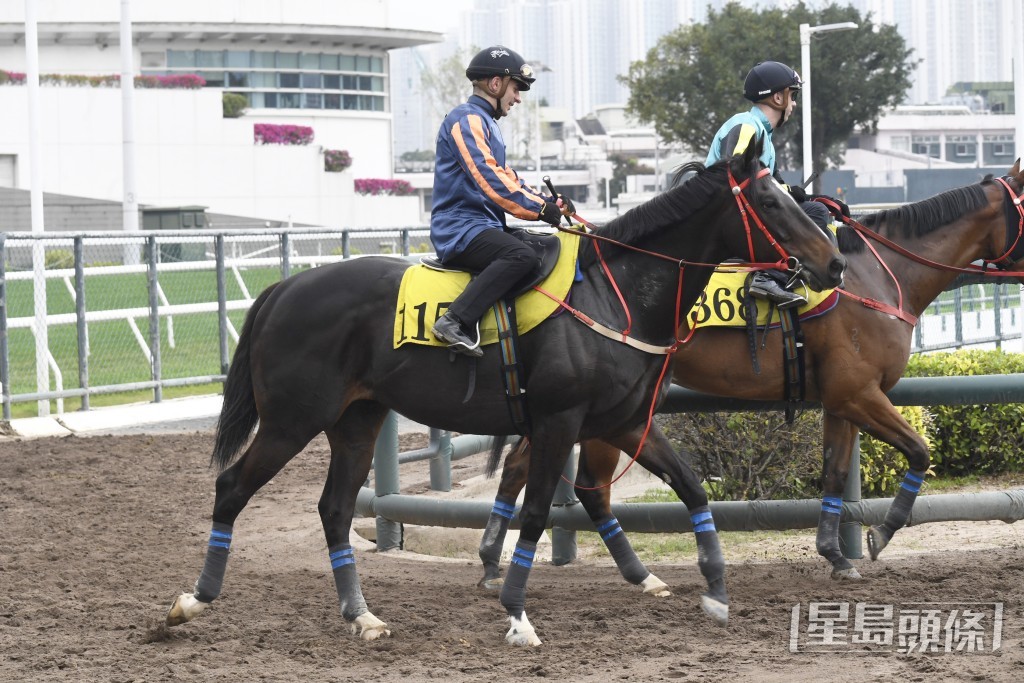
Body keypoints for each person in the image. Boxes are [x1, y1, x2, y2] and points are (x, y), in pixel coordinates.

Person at [429, 45, 573, 357]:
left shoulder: (485, 123)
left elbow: (507, 177)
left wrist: (548, 202)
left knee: (542, 245)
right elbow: (490, 180)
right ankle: (454, 321)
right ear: (495, 84)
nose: (518, 98)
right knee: (522, 256)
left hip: (483, 226)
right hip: (460, 230)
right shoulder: (465, 120)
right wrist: (539, 210)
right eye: (516, 89)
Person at [706, 60, 848, 309]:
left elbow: (771, 185)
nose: (793, 104)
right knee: (815, 213)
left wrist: (804, 196)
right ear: (778, 99)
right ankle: (770, 277)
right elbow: (736, 175)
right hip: (729, 216)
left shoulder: (764, 136)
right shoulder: (746, 126)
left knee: (815, 207)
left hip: (744, 213)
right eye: (792, 97)